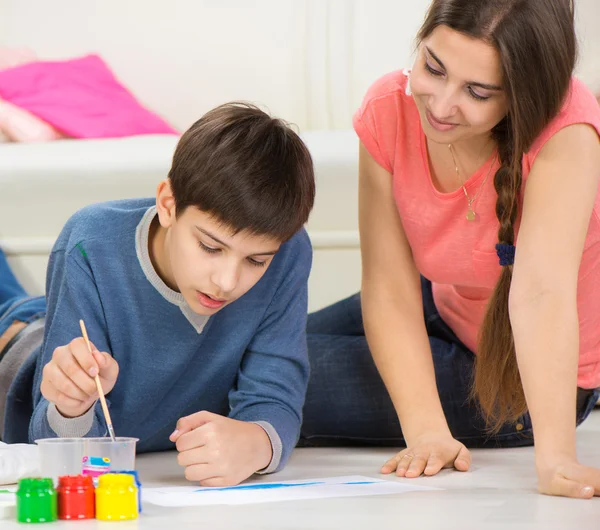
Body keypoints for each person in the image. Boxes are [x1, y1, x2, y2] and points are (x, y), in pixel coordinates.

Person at [301, 0, 600, 499]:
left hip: (526, 375)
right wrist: (425, 428)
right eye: (433, 68)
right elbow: (389, 287)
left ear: (523, 96)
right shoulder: (388, 107)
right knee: (256, 342)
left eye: (477, 92)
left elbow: (541, 296)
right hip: (445, 300)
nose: (439, 107)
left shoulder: (565, 128)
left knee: (255, 372)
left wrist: (556, 460)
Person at [0, 102, 315, 487]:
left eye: (256, 260)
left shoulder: (287, 249)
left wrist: (257, 443)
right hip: (19, 341)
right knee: (19, 314)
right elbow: (60, 449)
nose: (228, 282)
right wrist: (71, 407)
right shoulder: (90, 242)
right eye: (210, 248)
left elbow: (276, 389)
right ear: (168, 204)